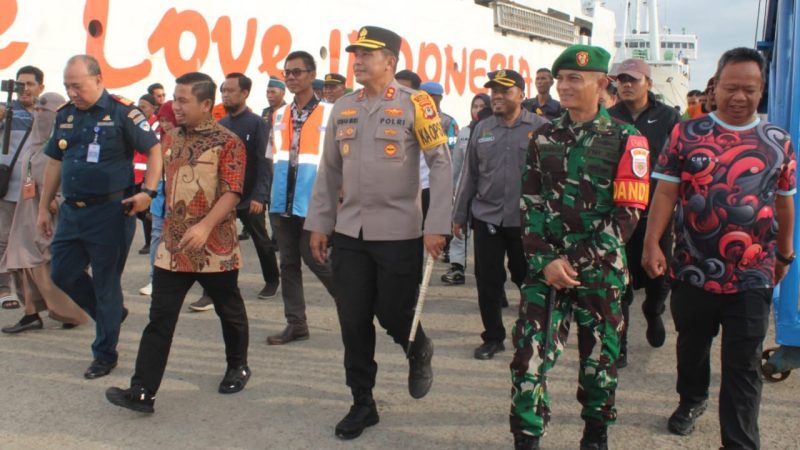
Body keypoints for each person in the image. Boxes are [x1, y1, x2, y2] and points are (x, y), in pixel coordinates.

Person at [643, 47, 796, 450]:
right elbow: (666, 192)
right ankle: (692, 400)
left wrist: (784, 254)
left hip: (753, 273)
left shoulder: (777, 140)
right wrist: (652, 243)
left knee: (743, 364)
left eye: (749, 89)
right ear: (715, 86)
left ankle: (740, 441)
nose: (739, 97)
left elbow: (784, 202)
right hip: (692, 268)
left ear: (761, 90)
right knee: (692, 348)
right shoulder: (686, 133)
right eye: (731, 87)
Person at [305, 26, 452, 440]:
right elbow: (329, 171)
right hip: (350, 231)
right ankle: (362, 402)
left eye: (367, 54)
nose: (358, 61)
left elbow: (441, 163)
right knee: (353, 318)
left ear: (390, 61)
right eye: (356, 54)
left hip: (399, 232)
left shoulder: (416, 104)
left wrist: (436, 224)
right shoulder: (343, 107)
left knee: (393, 312)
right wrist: (320, 223)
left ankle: (417, 345)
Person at [510, 45, 649, 450]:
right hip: (546, 269)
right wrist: (545, 260)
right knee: (528, 358)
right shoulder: (543, 136)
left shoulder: (628, 139)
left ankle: (595, 433)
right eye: (560, 79)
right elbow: (530, 203)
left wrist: (571, 261)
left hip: (600, 271)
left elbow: (628, 215)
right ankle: (527, 436)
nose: (564, 86)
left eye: (575, 78)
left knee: (599, 363)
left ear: (602, 83)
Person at [106, 71, 251, 414]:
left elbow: (232, 191)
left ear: (206, 104)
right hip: (173, 247)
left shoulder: (228, 141)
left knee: (229, 311)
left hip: (215, 247)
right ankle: (143, 392)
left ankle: (238, 365)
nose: (176, 106)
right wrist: (146, 195)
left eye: (184, 100)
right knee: (160, 318)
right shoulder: (170, 138)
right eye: (175, 99)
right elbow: (161, 176)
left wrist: (205, 227)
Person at [37, 55, 161, 379]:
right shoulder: (65, 115)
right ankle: (111, 314)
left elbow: (154, 150)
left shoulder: (123, 112)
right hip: (72, 212)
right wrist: (43, 207)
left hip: (111, 212)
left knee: (106, 284)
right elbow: (55, 162)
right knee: (62, 273)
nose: (72, 92)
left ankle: (105, 354)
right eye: (67, 86)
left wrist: (148, 192)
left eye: (77, 86)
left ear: (98, 80)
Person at [452, 70, 547, 361]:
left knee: (527, 279)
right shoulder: (482, 128)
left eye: (505, 91)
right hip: (487, 218)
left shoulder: (542, 128)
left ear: (521, 95)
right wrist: (459, 215)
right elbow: (470, 174)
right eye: (494, 91)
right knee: (488, 282)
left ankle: (533, 335)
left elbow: (552, 179)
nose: (497, 96)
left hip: (526, 221)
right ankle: (493, 337)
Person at [608, 58, 681, 367]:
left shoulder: (669, 118)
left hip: (656, 215)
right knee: (618, 283)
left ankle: (653, 312)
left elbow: (679, 165)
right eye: (621, 79)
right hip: (618, 217)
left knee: (658, 278)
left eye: (633, 79)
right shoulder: (608, 117)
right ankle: (619, 345)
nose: (626, 84)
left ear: (648, 84)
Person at [189, 72, 280, 311]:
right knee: (214, 243)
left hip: (249, 197)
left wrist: (260, 196)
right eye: (223, 91)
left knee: (261, 241)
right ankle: (210, 293)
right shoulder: (222, 125)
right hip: (224, 197)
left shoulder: (258, 124)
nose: (225, 95)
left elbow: (265, 162)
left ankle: (272, 280)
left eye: (230, 90)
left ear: (245, 93)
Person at [264, 51, 337, 345]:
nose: (291, 77)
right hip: (282, 200)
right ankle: (296, 324)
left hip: (313, 201)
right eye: (288, 73)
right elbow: (272, 157)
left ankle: (352, 304)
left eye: (297, 72)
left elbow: (341, 160)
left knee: (316, 258)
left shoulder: (331, 113)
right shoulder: (279, 114)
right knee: (288, 264)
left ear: (312, 75)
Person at [0, 92, 89, 333]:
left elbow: (76, 177)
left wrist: (56, 199)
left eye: (45, 111)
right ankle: (30, 313)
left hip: (54, 215)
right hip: (27, 212)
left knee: (49, 263)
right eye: (37, 110)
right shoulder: (33, 141)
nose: (39, 115)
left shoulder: (67, 143)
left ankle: (70, 312)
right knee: (24, 263)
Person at [0, 65, 43, 309]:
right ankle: (5, 289)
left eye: (29, 84)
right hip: (7, 188)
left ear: (41, 87)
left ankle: (33, 293)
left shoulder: (47, 113)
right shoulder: (6, 110)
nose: (24, 89)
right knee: (3, 239)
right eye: (20, 84)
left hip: (35, 192)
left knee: (31, 242)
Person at [441, 93, 490, 285]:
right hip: (464, 189)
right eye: (474, 106)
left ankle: (487, 273)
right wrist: (453, 187)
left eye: (482, 106)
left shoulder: (493, 131)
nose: (477, 110)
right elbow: (457, 165)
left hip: (486, 192)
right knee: (459, 228)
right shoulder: (464, 132)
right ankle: (457, 266)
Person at [139, 100, 178, 297]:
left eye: (168, 120)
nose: (165, 124)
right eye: (161, 120)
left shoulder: (186, 141)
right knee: (156, 237)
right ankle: (155, 279)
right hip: (160, 198)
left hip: (180, 199)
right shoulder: (158, 142)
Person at [133, 93, 159, 255]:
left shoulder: (156, 126)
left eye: (144, 107)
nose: (140, 109)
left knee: (147, 210)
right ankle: (150, 240)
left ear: (153, 108)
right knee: (140, 211)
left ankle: (150, 242)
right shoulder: (140, 124)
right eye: (139, 106)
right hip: (136, 173)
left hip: (147, 175)